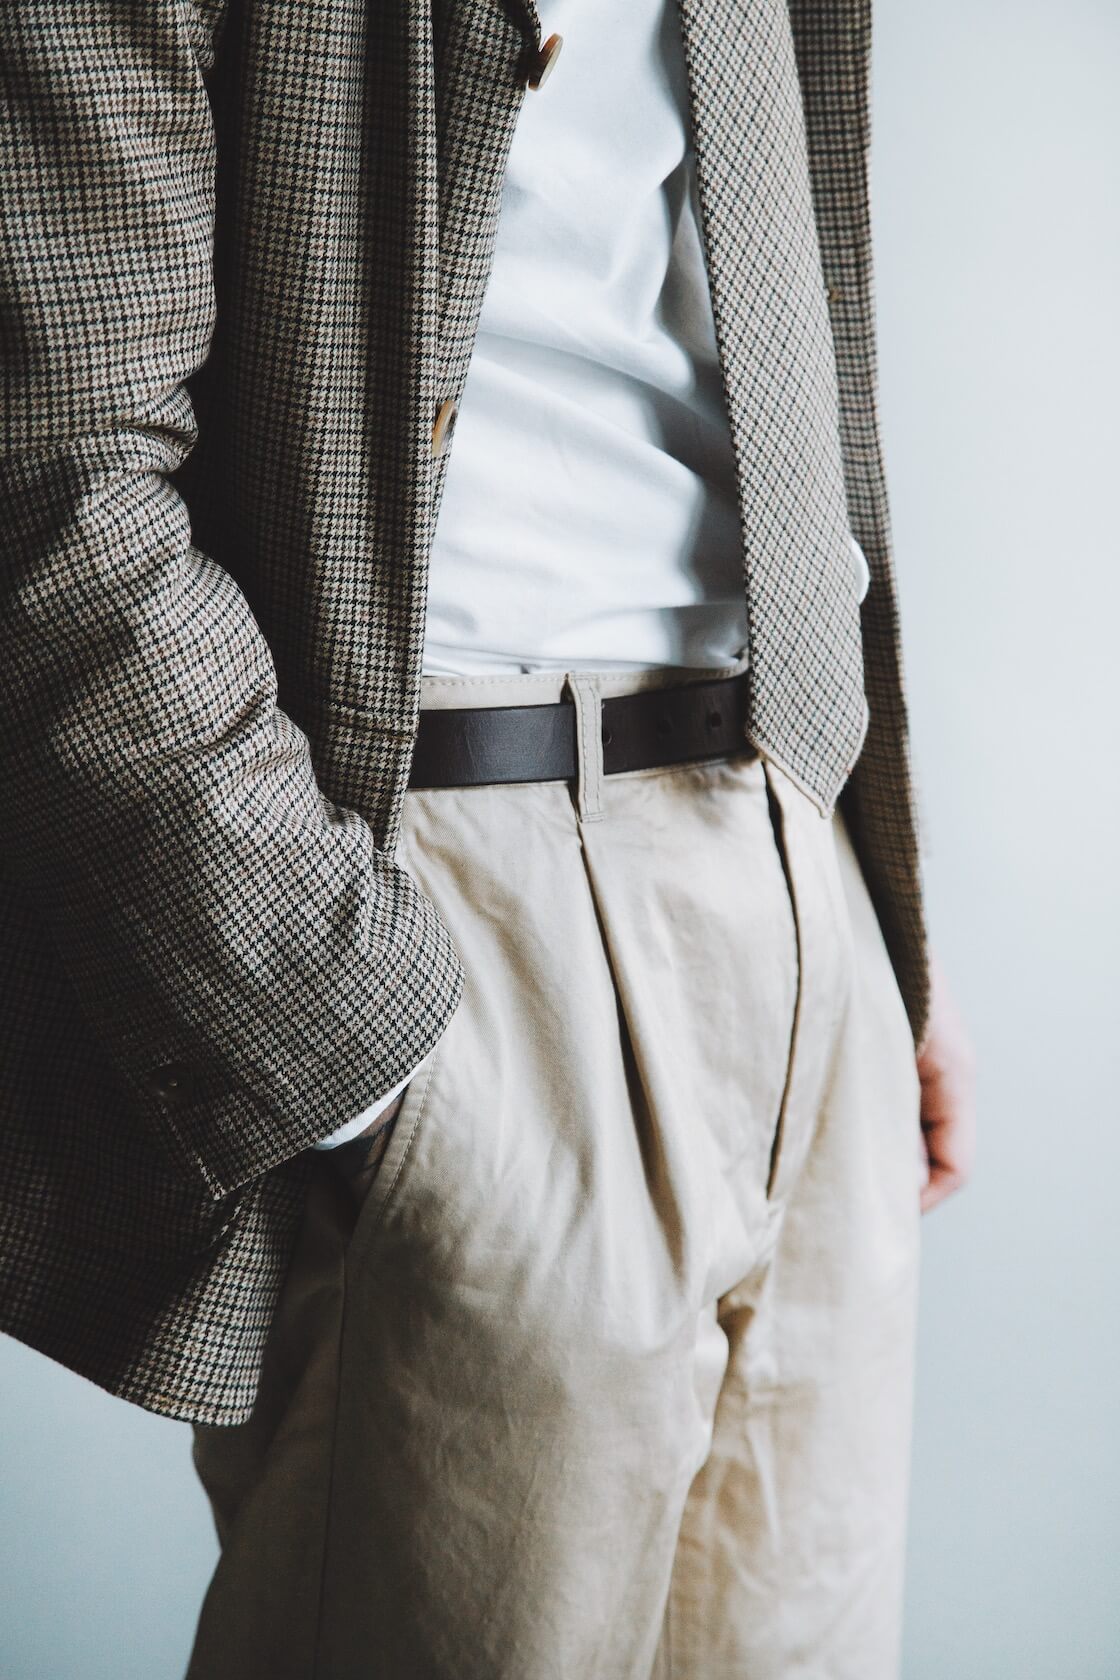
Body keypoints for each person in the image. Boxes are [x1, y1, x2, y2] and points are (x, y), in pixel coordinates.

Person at [0, 0, 976, 1674]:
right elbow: (52, 472)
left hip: (795, 873)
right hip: (455, 905)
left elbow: (779, 318)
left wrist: (862, 903)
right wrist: (368, 1048)